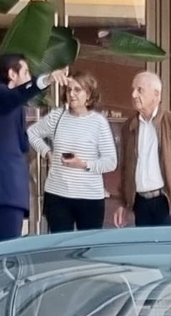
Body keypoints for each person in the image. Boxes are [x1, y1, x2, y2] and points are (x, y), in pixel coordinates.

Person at [0, 53, 55, 244]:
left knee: (8, 248)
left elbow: (21, 142)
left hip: (9, 190)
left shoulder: (12, 104)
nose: (29, 77)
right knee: (5, 250)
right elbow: (16, 96)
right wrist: (46, 80)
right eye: (26, 72)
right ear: (12, 73)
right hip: (3, 188)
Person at [32, 71, 116, 234]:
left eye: (77, 90)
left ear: (89, 95)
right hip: (57, 194)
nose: (71, 94)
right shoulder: (57, 117)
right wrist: (47, 152)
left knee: (88, 246)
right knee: (60, 246)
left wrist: (84, 165)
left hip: (89, 196)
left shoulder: (98, 123)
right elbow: (32, 133)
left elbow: (111, 162)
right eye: (69, 90)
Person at [116, 70, 171, 227]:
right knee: (145, 250)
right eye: (133, 89)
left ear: (156, 95)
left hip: (167, 202)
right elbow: (125, 168)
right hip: (140, 202)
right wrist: (122, 203)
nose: (133, 95)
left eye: (139, 90)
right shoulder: (129, 126)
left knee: (165, 250)